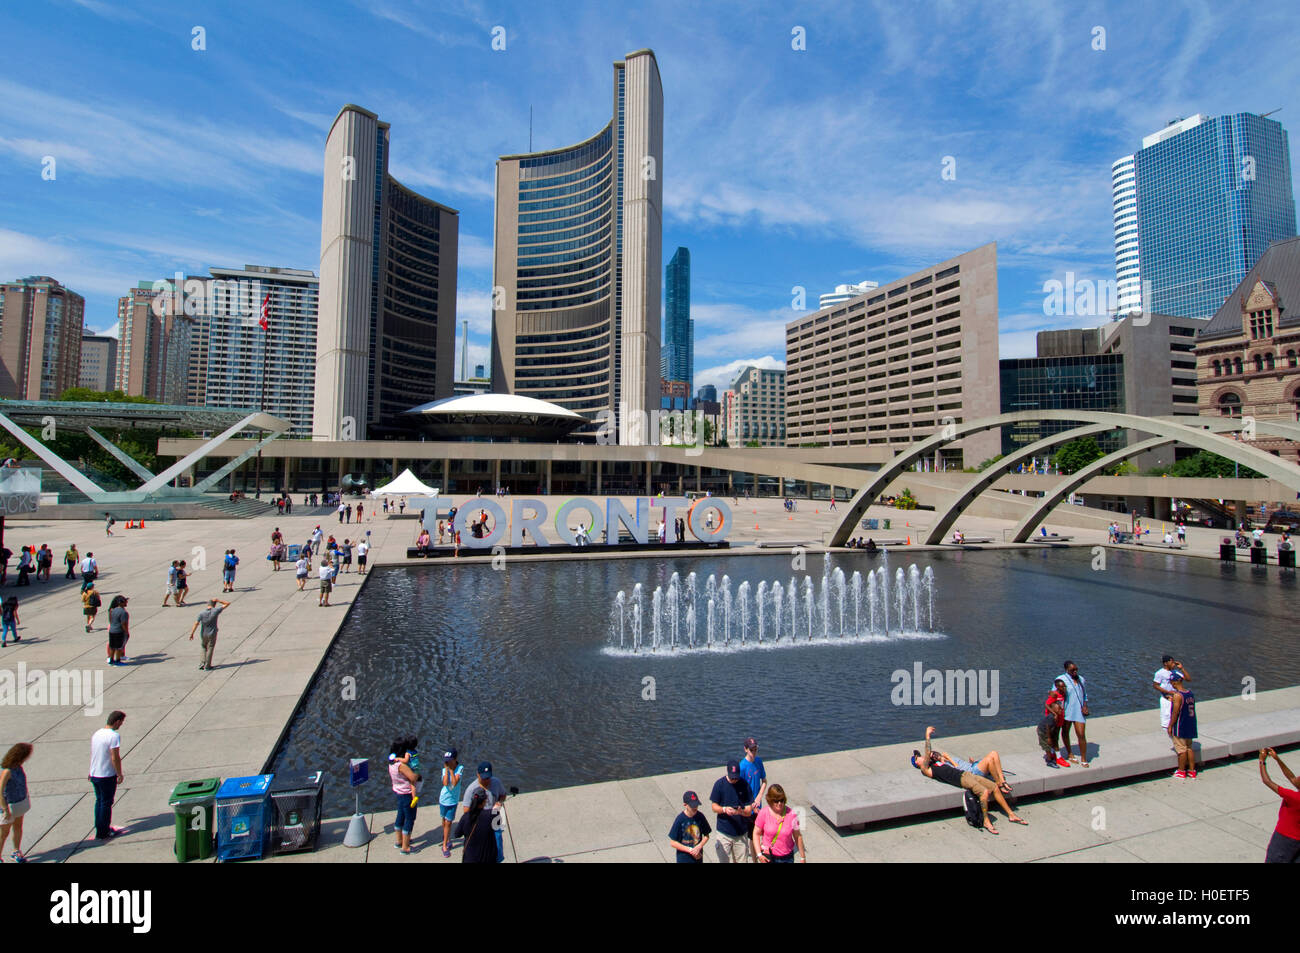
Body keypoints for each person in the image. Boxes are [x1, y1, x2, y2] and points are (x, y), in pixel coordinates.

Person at [912, 726, 1026, 834]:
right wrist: (927, 735)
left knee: (994, 787)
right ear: (917, 763)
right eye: (918, 757)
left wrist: (942, 758)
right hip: (961, 779)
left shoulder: (935, 763)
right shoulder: (925, 769)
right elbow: (928, 752)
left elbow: (934, 755)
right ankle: (986, 821)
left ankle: (1011, 814)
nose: (921, 757)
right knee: (984, 792)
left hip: (966, 774)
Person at [1259, 748, 1300, 863]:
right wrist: (1277, 759)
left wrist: (1262, 761)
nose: (1298, 777)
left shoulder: (1294, 798)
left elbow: (1267, 781)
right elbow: (1291, 778)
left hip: (1284, 840)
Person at [461, 762, 508, 863]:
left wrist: (499, 803)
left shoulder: (496, 782)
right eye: (484, 778)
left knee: (498, 848)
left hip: (494, 820)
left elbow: (503, 795)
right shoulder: (471, 789)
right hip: (480, 824)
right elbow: (466, 810)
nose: (487, 780)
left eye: (488, 778)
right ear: (478, 774)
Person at [709, 759, 755, 862]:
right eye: (732, 777)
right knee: (723, 860)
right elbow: (714, 807)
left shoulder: (744, 784)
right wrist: (724, 809)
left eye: (736, 777)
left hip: (741, 833)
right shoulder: (719, 784)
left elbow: (748, 810)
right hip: (724, 832)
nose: (734, 780)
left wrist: (740, 812)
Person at [89, 711, 126, 839]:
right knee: (106, 803)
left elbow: (94, 753)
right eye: (121, 722)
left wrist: (90, 771)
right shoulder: (114, 736)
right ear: (116, 721)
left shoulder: (97, 734)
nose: (121, 725)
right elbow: (115, 757)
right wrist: (119, 773)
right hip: (106, 775)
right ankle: (103, 832)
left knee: (99, 801)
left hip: (95, 774)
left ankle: (100, 827)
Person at [752, 783, 805, 863]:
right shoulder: (764, 813)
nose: (779, 803)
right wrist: (759, 854)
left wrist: (802, 857)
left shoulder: (792, 814)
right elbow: (756, 833)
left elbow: (797, 836)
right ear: (770, 800)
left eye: (782, 800)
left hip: (787, 858)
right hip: (768, 857)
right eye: (776, 801)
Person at [0, 742, 33, 862]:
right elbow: (0, 791)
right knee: (4, 833)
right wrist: (5, 810)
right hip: (9, 806)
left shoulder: (18, 767)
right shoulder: (7, 771)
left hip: (20, 803)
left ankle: (16, 851)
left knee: (18, 827)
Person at [389, 737, 421, 855]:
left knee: (400, 816)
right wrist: (417, 774)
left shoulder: (392, 763)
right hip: (407, 794)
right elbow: (413, 777)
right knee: (410, 819)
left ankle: (399, 841)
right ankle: (405, 847)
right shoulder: (401, 766)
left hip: (398, 792)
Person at [1057, 660, 1090, 766]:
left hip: (1079, 711)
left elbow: (1084, 695)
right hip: (1067, 711)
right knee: (1065, 732)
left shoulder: (1081, 679)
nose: (1075, 671)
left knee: (1081, 734)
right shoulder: (1061, 680)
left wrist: (1085, 706)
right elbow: (1055, 695)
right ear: (1067, 670)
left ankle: (1084, 758)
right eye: (1072, 670)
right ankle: (1070, 753)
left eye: (1076, 669)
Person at [1167, 670, 1197, 779]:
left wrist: (1170, 726)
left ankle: (1181, 771)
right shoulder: (1190, 693)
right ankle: (1192, 771)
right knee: (1189, 748)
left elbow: (1176, 712)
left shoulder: (1177, 696)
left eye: (1171, 683)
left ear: (1175, 682)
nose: (1171, 685)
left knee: (1181, 749)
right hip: (1191, 724)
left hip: (1180, 726)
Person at [455, 789, 497, 864]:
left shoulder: (465, 817)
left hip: (470, 858)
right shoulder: (491, 815)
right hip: (487, 858)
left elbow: (457, 834)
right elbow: (499, 825)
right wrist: (497, 808)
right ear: (484, 801)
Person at [668, 791, 712, 863]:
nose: (695, 808)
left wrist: (699, 846)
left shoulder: (700, 816)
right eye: (692, 806)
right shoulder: (680, 819)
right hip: (684, 859)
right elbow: (673, 842)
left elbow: (706, 836)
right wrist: (690, 850)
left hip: (698, 858)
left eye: (696, 805)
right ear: (685, 805)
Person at [189, 598, 231, 671]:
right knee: (210, 647)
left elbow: (196, 623)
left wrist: (192, 633)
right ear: (214, 605)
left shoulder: (201, 613)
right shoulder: (216, 611)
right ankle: (208, 665)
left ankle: (202, 664)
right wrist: (218, 600)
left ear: (207, 604)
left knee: (203, 647)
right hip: (212, 633)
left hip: (203, 633)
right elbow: (227, 603)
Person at [1038, 679, 1070, 767]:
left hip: (1060, 718)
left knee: (1055, 737)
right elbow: (1047, 704)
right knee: (1054, 738)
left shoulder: (1063, 693)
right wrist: (1054, 713)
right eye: (1062, 686)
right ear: (1057, 687)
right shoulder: (1055, 694)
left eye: (1064, 686)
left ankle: (1053, 753)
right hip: (1053, 720)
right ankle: (1058, 757)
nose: (1064, 688)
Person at [1153, 655, 1189, 732]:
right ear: (1166, 663)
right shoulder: (1160, 673)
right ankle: (1171, 737)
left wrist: (1182, 668)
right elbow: (1155, 685)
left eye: (1174, 662)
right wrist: (1168, 692)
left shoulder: (1176, 672)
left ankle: (1176, 739)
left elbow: (1188, 679)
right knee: (1166, 719)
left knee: (1176, 717)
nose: (1174, 664)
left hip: (1176, 698)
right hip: (1166, 699)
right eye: (1172, 662)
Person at [439, 749, 464, 858]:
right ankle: (447, 838)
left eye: (450, 760)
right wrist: (446, 770)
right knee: (444, 821)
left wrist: (450, 771)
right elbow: (445, 783)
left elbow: (454, 783)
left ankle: (444, 845)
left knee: (448, 822)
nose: (448, 763)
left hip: (453, 801)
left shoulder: (460, 768)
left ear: (455, 759)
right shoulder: (444, 769)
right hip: (443, 799)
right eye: (446, 761)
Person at [739, 737, 767, 812]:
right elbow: (740, 789)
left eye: (755, 750)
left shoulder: (758, 761)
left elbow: (764, 781)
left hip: (758, 805)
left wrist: (759, 797)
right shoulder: (742, 767)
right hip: (747, 807)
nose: (754, 752)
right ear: (745, 749)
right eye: (751, 750)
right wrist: (751, 804)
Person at [106, 596, 130, 665]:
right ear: (121, 603)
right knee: (119, 647)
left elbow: (111, 620)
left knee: (112, 647)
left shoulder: (112, 610)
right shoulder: (123, 612)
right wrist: (126, 632)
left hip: (112, 630)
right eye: (125, 602)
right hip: (119, 631)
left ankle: (111, 660)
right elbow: (123, 624)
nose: (126, 603)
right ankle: (117, 661)